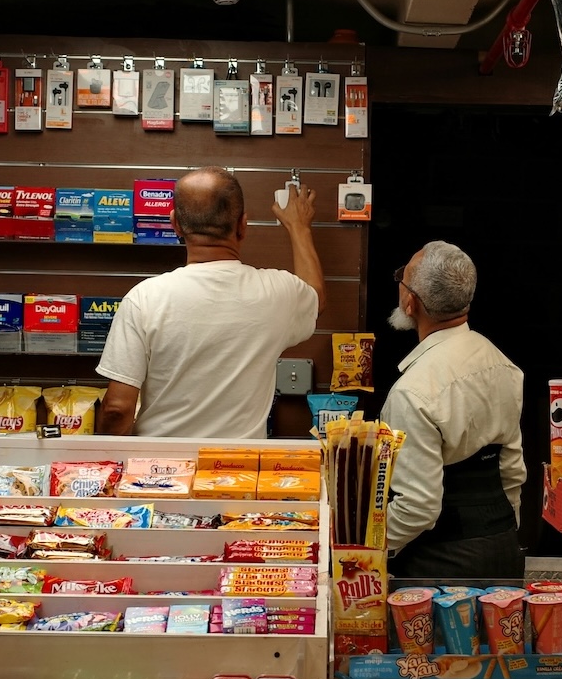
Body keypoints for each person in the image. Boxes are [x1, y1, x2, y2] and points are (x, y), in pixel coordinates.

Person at [96, 166, 325, 438]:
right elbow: (316, 297)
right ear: (242, 225)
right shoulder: (278, 292)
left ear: (175, 225)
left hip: (158, 471)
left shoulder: (144, 298)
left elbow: (117, 409)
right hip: (237, 470)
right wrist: (299, 227)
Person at [381, 242, 525, 579]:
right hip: (503, 547)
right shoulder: (502, 365)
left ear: (409, 302)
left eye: (402, 278)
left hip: (441, 565)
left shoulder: (413, 392)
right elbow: (512, 472)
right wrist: (501, 534)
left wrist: (365, 546)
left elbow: (418, 508)